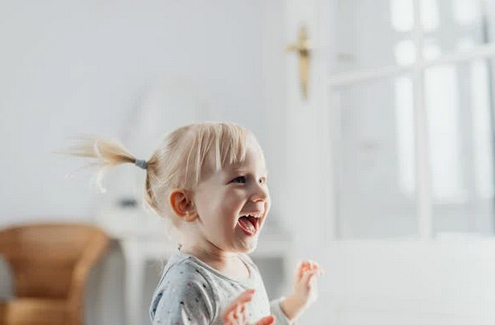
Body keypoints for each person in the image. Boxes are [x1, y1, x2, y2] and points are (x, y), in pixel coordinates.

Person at [63, 122, 322, 324]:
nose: (263, 194)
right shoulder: (187, 285)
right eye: (241, 180)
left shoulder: (241, 263)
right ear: (186, 204)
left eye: (263, 180)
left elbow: (259, 317)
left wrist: (296, 302)